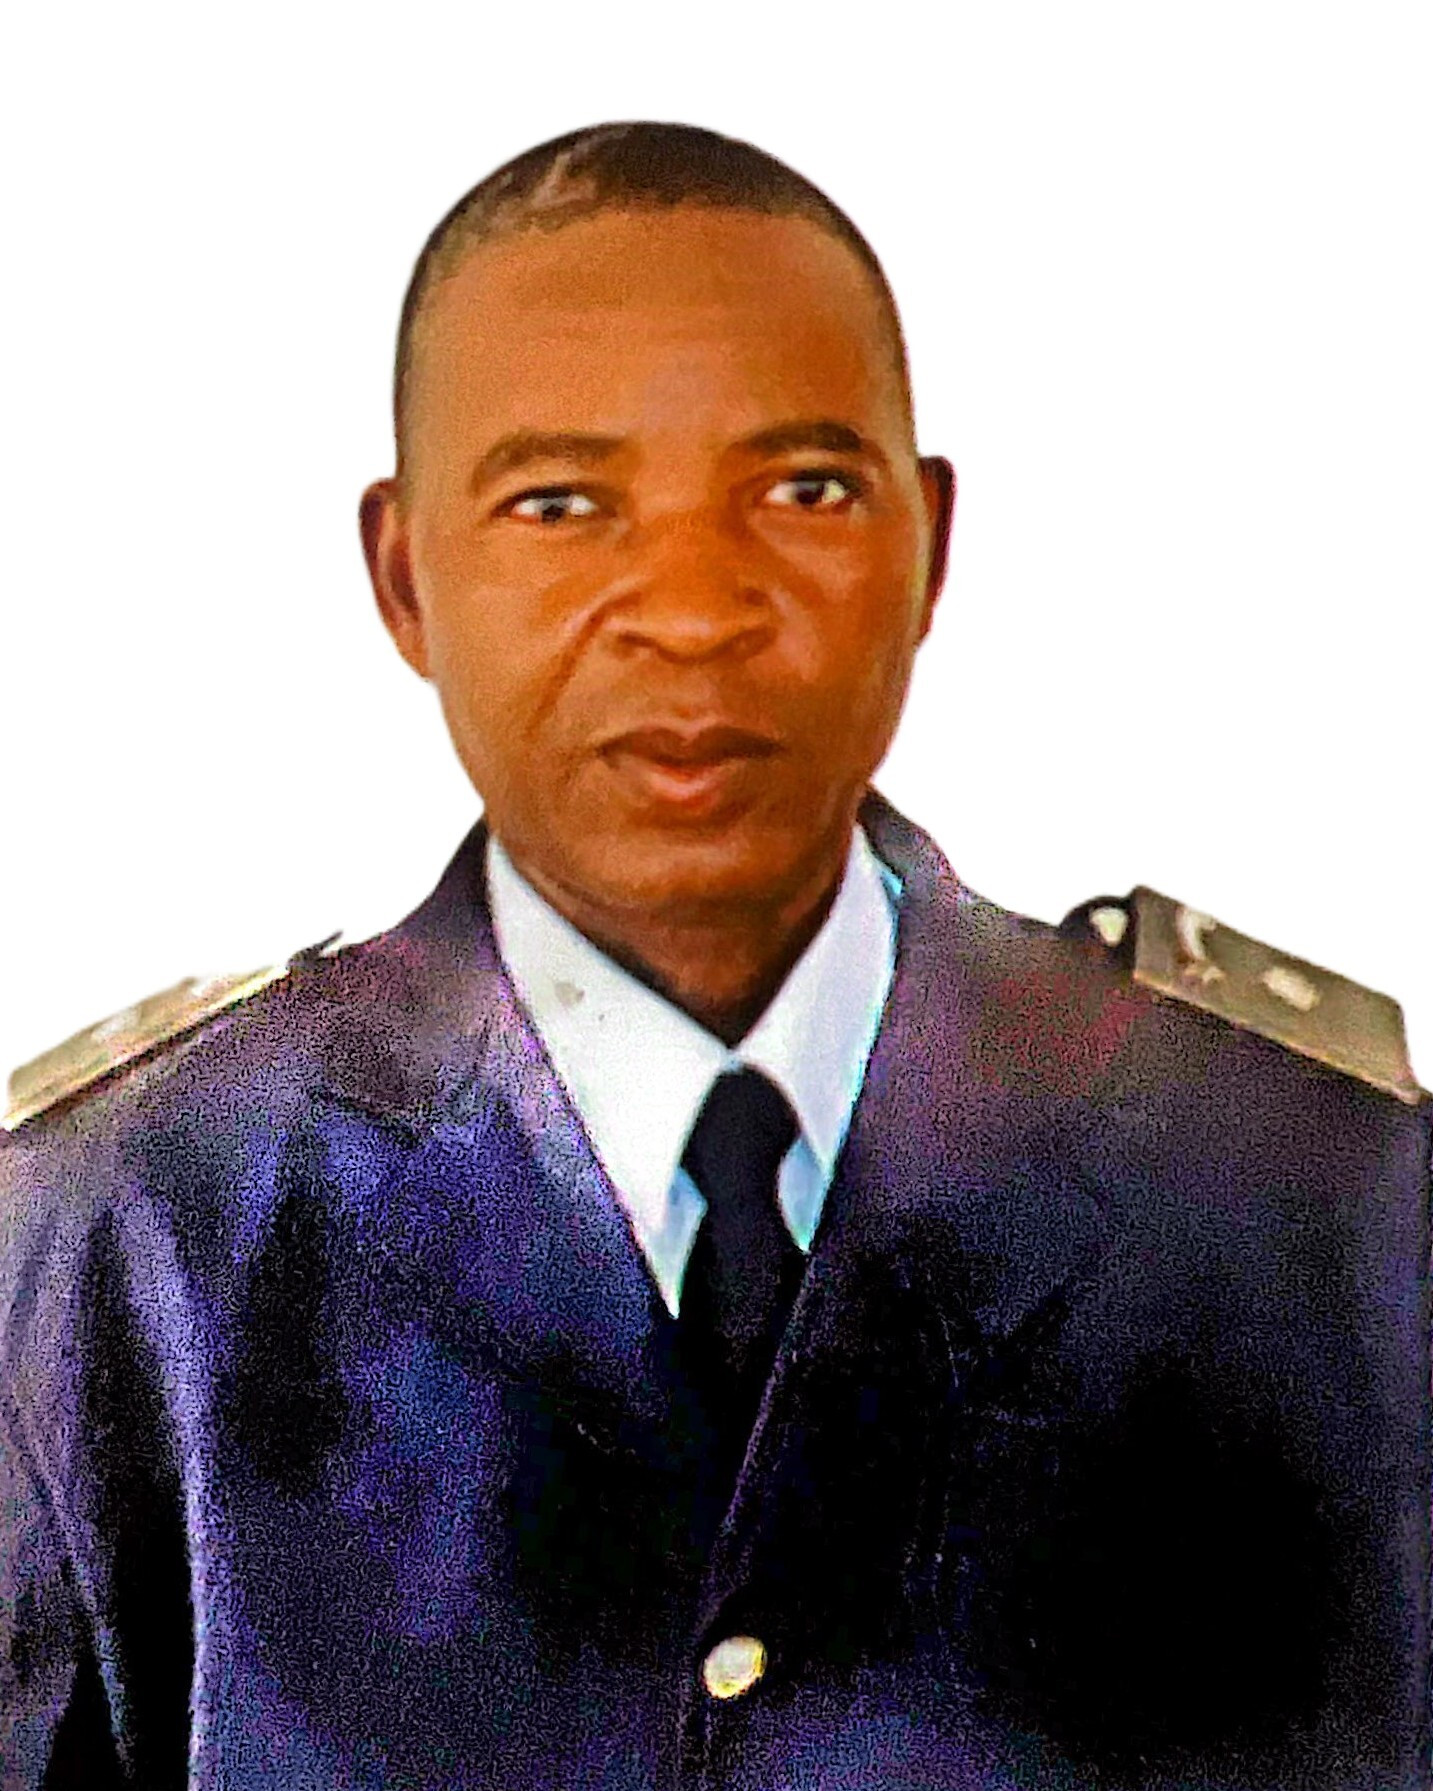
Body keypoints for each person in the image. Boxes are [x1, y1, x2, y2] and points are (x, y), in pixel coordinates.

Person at [0, 122, 1426, 1791]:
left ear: (925, 544)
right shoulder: (119, 1240)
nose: (690, 607)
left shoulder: (1326, 1204)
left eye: (802, 490)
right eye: (559, 504)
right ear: (403, 576)